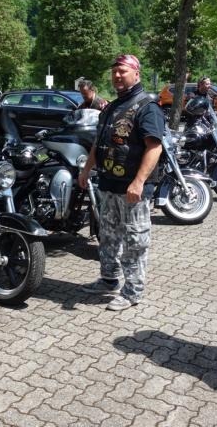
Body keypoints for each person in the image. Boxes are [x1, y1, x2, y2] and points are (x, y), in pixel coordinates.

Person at [78, 54, 164, 311]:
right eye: (114, 71)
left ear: (136, 73)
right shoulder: (111, 107)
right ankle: (108, 279)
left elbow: (154, 147)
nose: (117, 75)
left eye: (123, 71)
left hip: (132, 189)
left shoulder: (147, 107)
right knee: (108, 235)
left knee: (134, 240)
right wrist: (86, 170)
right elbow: (99, 142)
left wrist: (139, 182)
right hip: (108, 184)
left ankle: (132, 291)